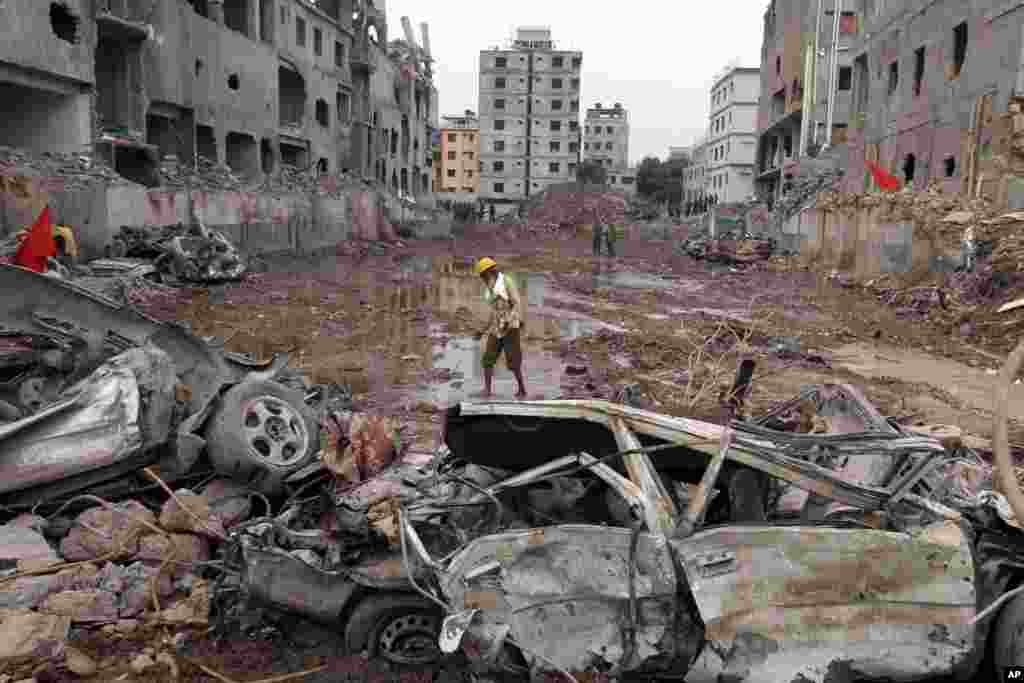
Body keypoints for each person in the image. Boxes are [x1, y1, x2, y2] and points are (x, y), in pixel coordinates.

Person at [474, 257, 527, 399]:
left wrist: (510, 320)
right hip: (496, 329)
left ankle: (522, 389)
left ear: (489, 272)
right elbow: (493, 312)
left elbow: (516, 303)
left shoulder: (506, 282)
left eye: (483, 275)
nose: (482, 279)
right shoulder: (490, 288)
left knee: (513, 361)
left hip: (510, 328)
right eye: (482, 277)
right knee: (487, 359)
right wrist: (483, 330)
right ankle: (487, 390)